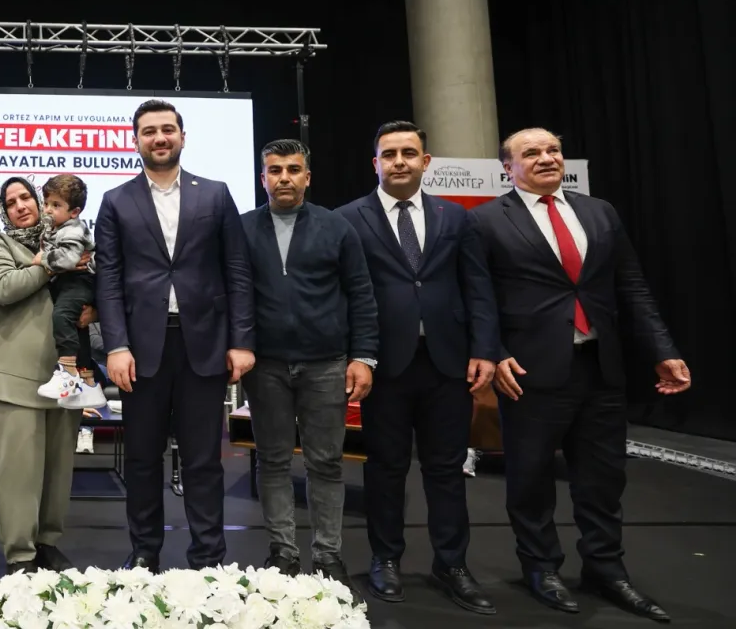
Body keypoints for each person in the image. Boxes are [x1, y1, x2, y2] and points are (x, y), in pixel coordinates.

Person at [473, 128, 691, 622]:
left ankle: (606, 569)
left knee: (603, 479)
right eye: (532, 153)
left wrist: (662, 350)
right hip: (528, 370)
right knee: (530, 479)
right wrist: (494, 352)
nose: (547, 158)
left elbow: (631, 285)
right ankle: (540, 568)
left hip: (601, 366)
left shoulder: (600, 212)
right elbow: (476, 295)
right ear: (508, 168)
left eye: (553, 150)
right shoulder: (485, 220)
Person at [336, 122, 498, 614]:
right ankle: (385, 559)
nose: (400, 161)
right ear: (376, 164)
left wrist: (485, 349)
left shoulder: (456, 217)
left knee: (447, 469)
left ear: (426, 161)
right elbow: (345, 296)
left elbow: (477, 286)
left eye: (409, 153)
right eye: (390, 154)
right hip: (383, 365)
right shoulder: (348, 219)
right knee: (385, 468)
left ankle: (452, 565)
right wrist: (355, 356)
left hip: (448, 363)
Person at [95, 99, 255, 572]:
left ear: (183, 136)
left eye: (167, 129)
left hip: (203, 344)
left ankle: (209, 557)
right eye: (149, 131)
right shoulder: (116, 200)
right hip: (140, 350)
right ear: (136, 140)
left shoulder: (216, 194)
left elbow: (237, 270)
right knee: (142, 458)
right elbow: (108, 280)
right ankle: (145, 553)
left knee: (204, 459)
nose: (159, 137)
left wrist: (242, 340)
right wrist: (116, 345)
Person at [237, 139, 377, 595]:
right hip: (265, 365)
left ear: (308, 177)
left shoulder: (337, 228)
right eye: (275, 170)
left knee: (326, 463)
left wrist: (363, 357)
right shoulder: (241, 228)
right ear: (263, 178)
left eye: (293, 169)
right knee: (273, 461)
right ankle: (283, 551)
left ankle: (328, 555)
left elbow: (361, 295)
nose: (284, 178)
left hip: (326, 364)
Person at [0, 177, 95, 574]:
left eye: (26, 197)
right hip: (14, 380)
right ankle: (20, 555)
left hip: (63, 377)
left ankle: (47, 543)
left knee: (58, 472)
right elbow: (2, 287)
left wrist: (93, 309)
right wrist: (49, 264)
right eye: (11, 202)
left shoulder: (67, 238)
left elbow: (91, 282)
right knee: (18, 475)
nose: (20, 206)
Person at [35, 173, 104, 409]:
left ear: (74, 212)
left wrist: (42, 259)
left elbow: (69, 259)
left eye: (56, 205)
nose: (48, 210)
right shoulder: (56, 227)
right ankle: (89, 384)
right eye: (46, 203)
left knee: (62, 316)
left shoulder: (72, 230)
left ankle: (67, 373)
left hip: (79, 281)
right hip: (67, 282)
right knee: (77, 329)